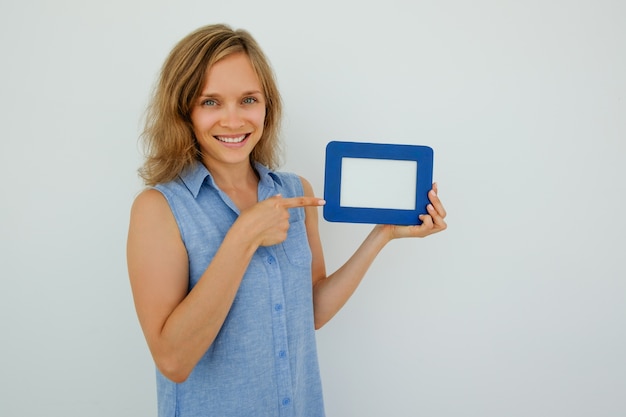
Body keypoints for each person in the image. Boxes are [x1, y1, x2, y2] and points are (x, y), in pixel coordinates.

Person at [127, 23, 447, 417]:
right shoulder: (159, 208)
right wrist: (242, 238)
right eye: (210, 102)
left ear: (267, 106)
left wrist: (381, 236)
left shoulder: (296, 192)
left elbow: (311, 311)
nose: (233, 119)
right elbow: (173, 361)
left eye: (248, 99)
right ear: (184, 110)